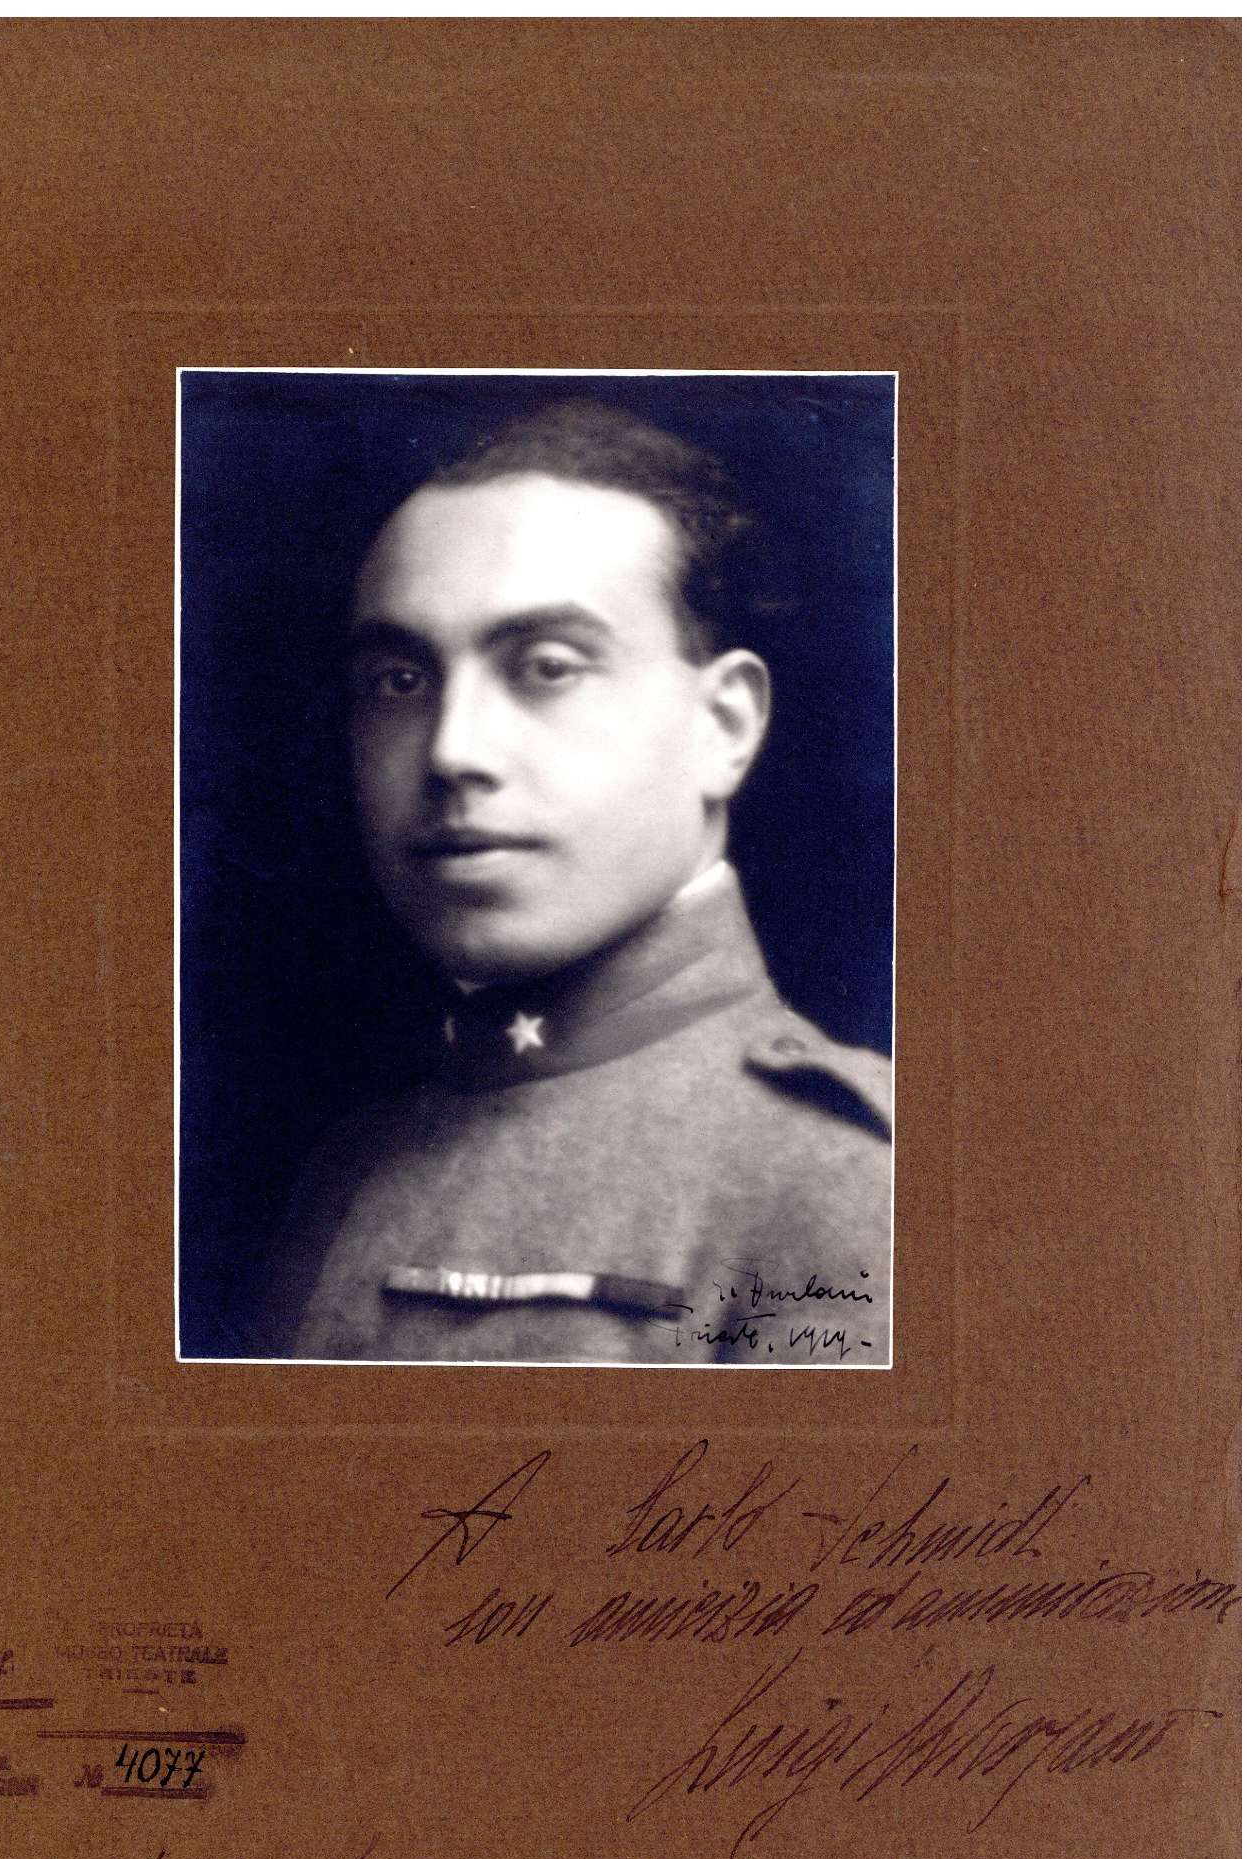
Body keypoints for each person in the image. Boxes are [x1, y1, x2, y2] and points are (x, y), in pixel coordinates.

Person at [259, 400, 892, 1365]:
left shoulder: (845, 1180)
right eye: (399, 681)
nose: (453, 750)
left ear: (722, 727)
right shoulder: (349, 1162)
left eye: (546, 668)